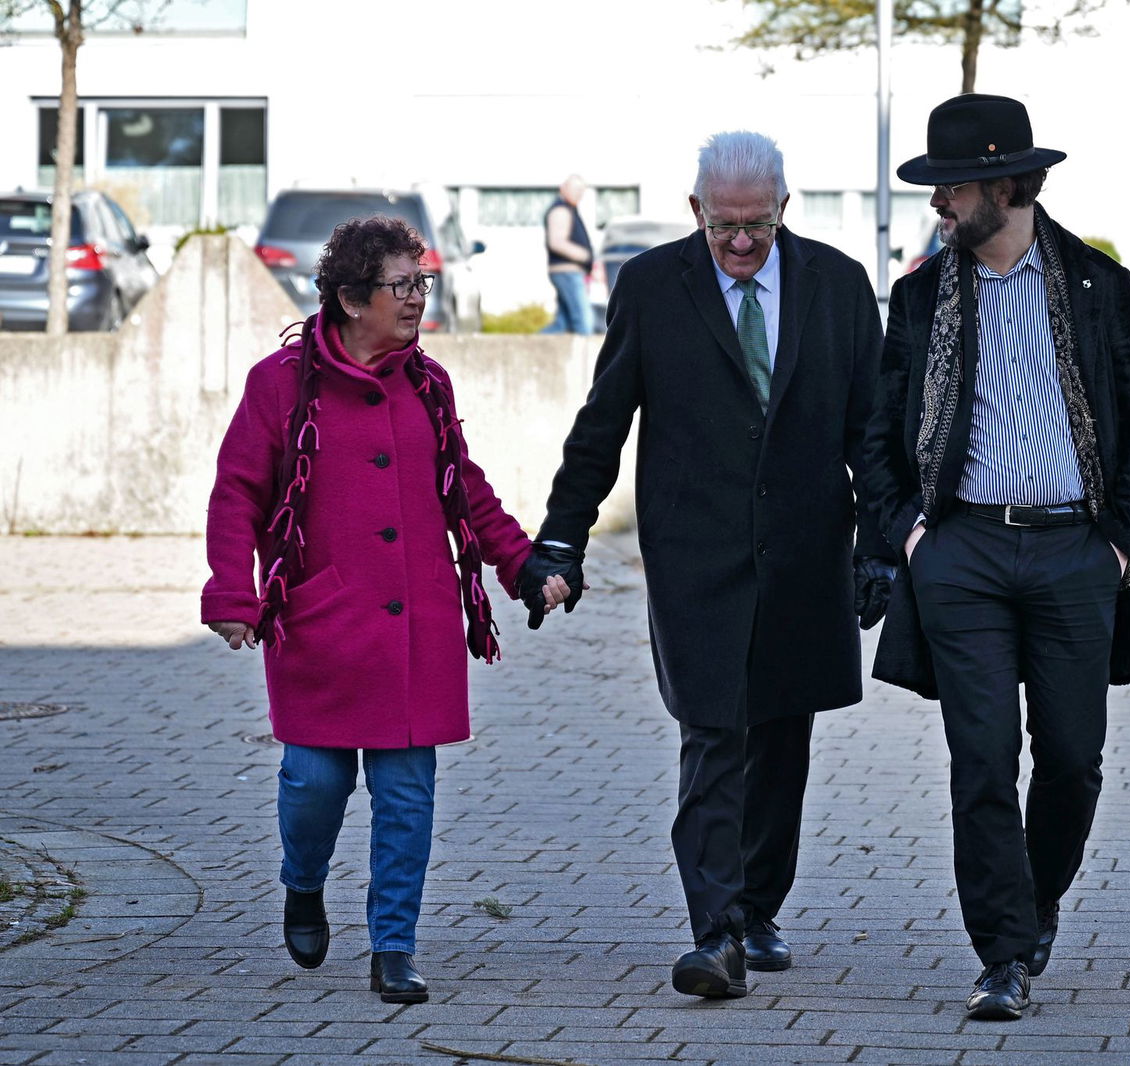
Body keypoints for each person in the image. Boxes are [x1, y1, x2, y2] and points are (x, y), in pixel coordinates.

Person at [519, 131, 895, 999]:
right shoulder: (655, 285)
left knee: (782, 737)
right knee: (713, 732)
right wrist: (563, 538)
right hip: (697, 558)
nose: (738, 242)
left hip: (804, 554)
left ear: (783, 211)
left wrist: (878, 548)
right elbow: (603, 421)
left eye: (755, 226)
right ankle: (717, 931)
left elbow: (872, 436)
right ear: (696, 211)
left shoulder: (836, 287)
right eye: (723, 225)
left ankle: (760, 904)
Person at [201, 216, 566, 1004]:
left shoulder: (427, 383)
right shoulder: (281, 383)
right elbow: (237, 494)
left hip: (417, 626)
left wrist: (522, 563)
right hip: (320, 623)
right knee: (312, 783)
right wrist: (233, 590)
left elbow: (462, 487)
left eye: (421, 282)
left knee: (407, 795)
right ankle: (302, 884)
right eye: (401, 285)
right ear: (347, 297)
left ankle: (394, 945)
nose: (416, 300)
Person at [862, 94, 1130, 1021]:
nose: (937, 206)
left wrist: (1121, 541)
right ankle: (1001, 955)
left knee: (1073, 760)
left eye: (950, 188)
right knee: (982, 759)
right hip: (963, 556)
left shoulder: (1096, 284)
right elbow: (878, 436)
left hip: (1078, 549)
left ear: (1005, 183)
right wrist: (914, 537)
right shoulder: (921, 297)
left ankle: (1035, 906)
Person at [542, 174, 596, 334]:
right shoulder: (560, 210)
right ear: (563, 188)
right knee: (584, 322)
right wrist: (585, 256)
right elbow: (556, 242)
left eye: (582, 190)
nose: (579, 194)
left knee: (562, 325)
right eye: (576, 189)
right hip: (567, 271)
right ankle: (589, 359)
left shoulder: (569, 209)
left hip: (570, 272)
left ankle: (526, 351)